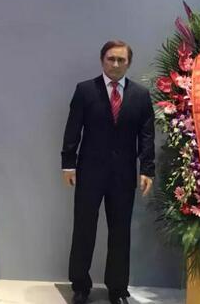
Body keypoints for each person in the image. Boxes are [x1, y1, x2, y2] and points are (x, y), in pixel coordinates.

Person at [62, 40, 155, 304]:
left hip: (123, 175)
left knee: (120, 232)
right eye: (111, 59)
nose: (115, 64)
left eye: (121, 60)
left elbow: (147, 135)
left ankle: (117, 289)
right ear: (102, 60)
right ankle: (80, 286)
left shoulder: (140, 95)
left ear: (129, 63)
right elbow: (73, 129)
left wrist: (147, 169)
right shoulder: (85, 90)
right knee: (84, 229)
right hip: (89, 172)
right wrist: (68, 164)